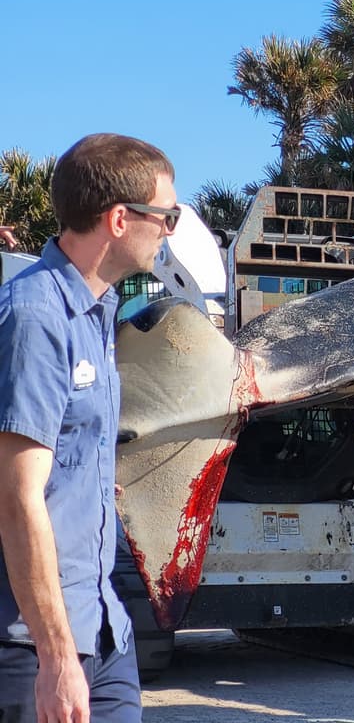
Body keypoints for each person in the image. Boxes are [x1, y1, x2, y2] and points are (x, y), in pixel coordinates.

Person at [0, 134, 178, 723]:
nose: (171, 230)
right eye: (167, 215)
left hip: (102, 627)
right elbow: (17, 497)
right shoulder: (35, 317)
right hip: (35, 647)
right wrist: (54, 659)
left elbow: (60, 459)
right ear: (120, 220)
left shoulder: (98, 312)